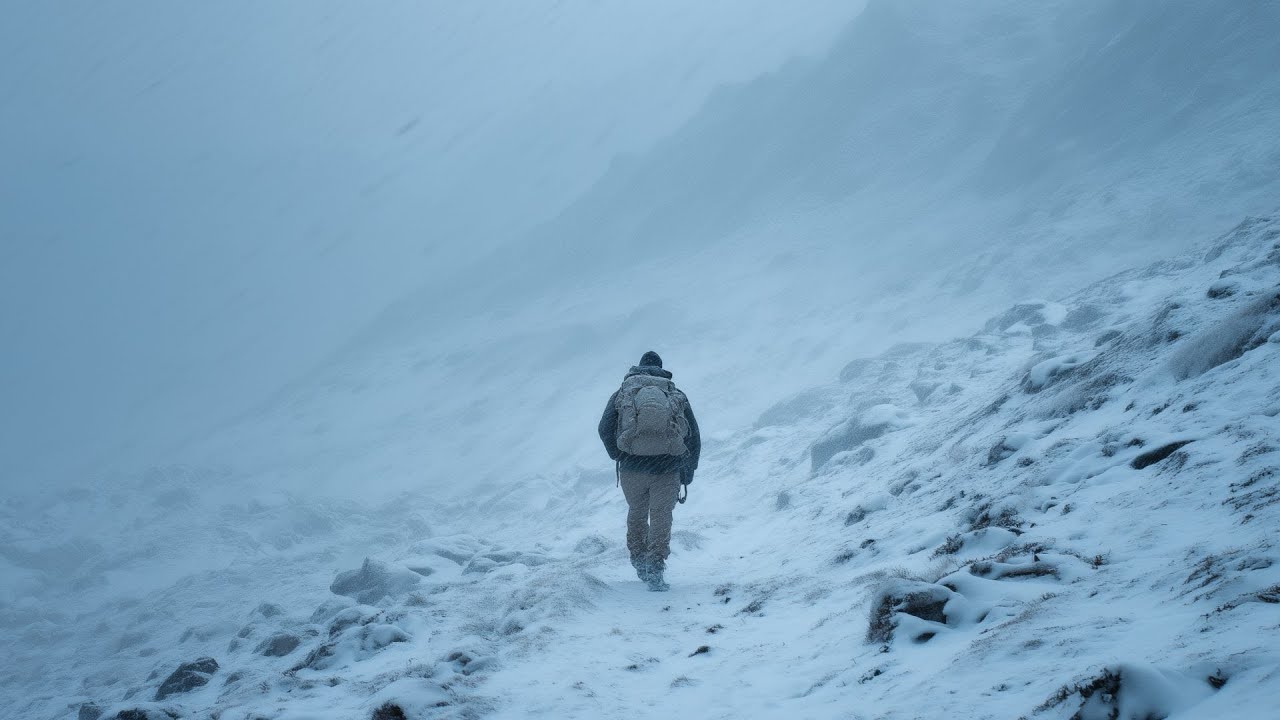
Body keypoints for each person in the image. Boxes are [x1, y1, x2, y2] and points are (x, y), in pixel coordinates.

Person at [598, 351, 701, 591]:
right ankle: (655, 565)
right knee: (661, 516)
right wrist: (688, 471)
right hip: (667, 467)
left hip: (632, 467)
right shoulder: (675, 394)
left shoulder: (624, 393)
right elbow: (694, 435)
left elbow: (604, 427)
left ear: (638, 367)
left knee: (637, 512)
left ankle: (638, 559)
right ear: (660, 368)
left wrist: (620, 454)